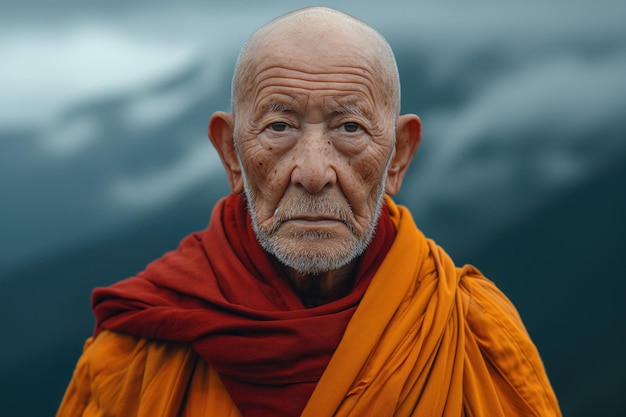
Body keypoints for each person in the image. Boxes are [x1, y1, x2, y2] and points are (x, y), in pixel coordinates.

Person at [57, 6, 561, 417]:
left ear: (399, 156)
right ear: (231, 153)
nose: (314, 172)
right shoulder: (140, 350)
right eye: (279, 126)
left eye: (350, 128)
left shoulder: (471, 332)